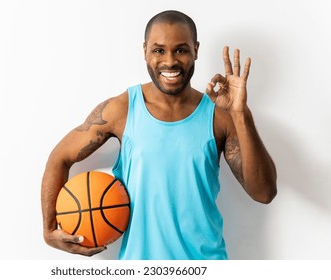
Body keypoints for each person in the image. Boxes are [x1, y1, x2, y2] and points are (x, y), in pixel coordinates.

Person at [41, 10, 277, 260]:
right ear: (145, 51)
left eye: (181, 50)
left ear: (196, 50)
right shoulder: (122, 110)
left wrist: (241, 114)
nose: (170, 61)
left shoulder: (219, 115)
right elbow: (60, 157)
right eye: (159, 50)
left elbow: (264, 193)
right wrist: (48, 230)